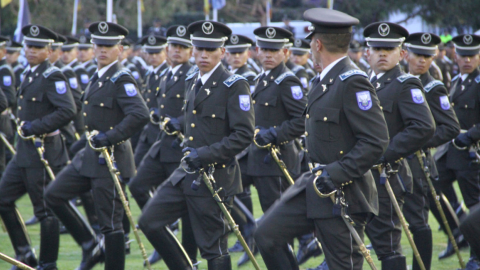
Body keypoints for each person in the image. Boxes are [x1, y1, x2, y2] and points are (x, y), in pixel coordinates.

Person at [254, 8, 389, 270]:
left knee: (342, 266)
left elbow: (376, 141)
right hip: (315, 182)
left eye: (311, 42)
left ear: (317, 44)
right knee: (265, 234)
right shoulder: (323, 81)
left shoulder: (353, 82)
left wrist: (335, 175)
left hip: (344, 190)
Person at [138, 20, 255, 270]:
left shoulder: (234, 86)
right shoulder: (194, 80)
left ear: (222, 52)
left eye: (210, 50)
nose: (203, 55)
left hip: (216, 176)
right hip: (186, 174)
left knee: (214, 248)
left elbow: (243, 135)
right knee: (149, 221)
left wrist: (204, 155)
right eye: (199, 49)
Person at [44, 21, 149, 270]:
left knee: (110, 225)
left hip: (110, 158)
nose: (102, 49)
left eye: (109, 45)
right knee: (53, 195)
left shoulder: (121, 79)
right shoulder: (98, 75)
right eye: (99, 44)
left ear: (120, 49)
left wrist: (111, 136)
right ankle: (90, 245)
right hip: (89, 157)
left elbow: (140, 114)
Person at [0, 24, 76, 270]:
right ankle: (25, 254)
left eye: (38, 47)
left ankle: (48, 263)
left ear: (48, 49)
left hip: (44, 151)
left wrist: (35, 126)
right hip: (24, 152)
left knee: (44, 211)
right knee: (2, 199)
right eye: (29, 46)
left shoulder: (52, 75)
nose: (31, 50)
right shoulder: (29, 73)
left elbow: (67, 110)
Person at [363, 22, 435, 270]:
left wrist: (382, 154)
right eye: (377, 48)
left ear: (401, 54)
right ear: (367, 52)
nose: (383, 53)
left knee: (388, 246)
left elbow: (424, 127)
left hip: (387, 176)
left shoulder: (405, 84)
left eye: (389, 48)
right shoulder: (363, 83)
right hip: (359, 174)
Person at [129, 25, 199, 267]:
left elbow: (201, 112)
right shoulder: (165, 74)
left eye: (183, 47)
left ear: (191, 51)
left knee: (190, 206)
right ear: (167, 48)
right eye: (174, 46)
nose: (177, 51)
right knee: (137, 185)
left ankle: (189, 258)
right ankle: (168, 237)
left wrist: (179, 122)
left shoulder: (194, 75)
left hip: (182, 149)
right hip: (161, 146)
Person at [403, 32, 461, 270]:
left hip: (417, 162)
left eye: (427, 56)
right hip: (391, 161)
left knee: (418, 221)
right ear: (406, 54)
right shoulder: (397, 81)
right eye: (417, 54)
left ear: (434, 56)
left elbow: (451, 127)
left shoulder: (433, 87)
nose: (422, 60)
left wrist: (422, 141)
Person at [433, 34, 480, 268]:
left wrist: (469, 136)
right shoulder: (457, 80)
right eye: (463, 55)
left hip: (471, 151)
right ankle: (457, 227)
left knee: (475, 206)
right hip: (451, 150)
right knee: (435, 182)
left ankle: (476, 255)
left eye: (472, 55)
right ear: (456, 56)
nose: (467, 60)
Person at [224, 33, 258, 263]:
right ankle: (245, 234)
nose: (236, 57)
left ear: (248, 53)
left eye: (240, 52)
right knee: (234, 191)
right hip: (232, 143)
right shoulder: (229, 77)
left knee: (238, 190)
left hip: (248, 146)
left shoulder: (250, 77)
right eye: (232, 52)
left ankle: (250, 234)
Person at [134, 34, 168, 166]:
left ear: (165, 51)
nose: (153, 57)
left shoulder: (167, 73)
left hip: (160, 132)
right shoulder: (151, 73)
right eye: (150, 53)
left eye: (157, 53)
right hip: (148, 131)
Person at [0, 36, 17, 177]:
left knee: (3, 161)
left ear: (3, 51)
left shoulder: (4, 69)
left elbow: (10, 98)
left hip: (3, 120)